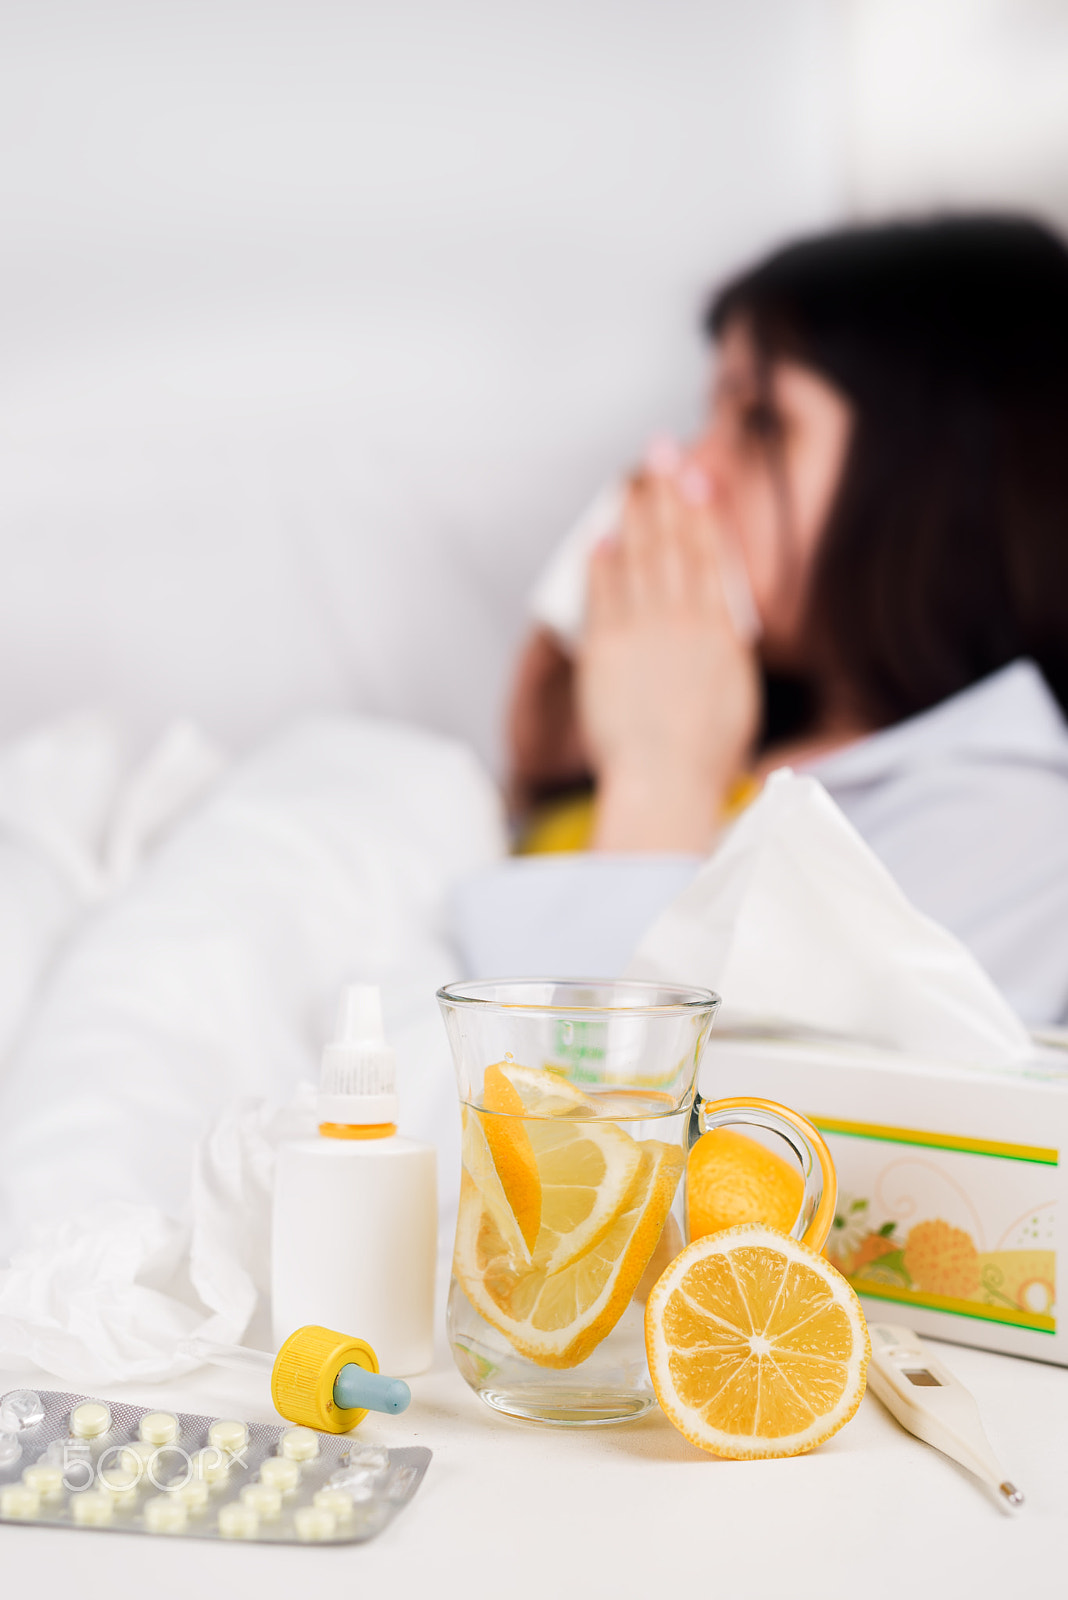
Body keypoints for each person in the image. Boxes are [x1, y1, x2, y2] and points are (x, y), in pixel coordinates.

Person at [464, 216, 1068, 1023]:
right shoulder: (746, 746)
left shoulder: (1016, 834)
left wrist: (659, 776)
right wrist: (546, 773)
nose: (685, 469)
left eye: (759, 422)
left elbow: (626, 1120)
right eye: (708, 416)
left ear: (942, 476)